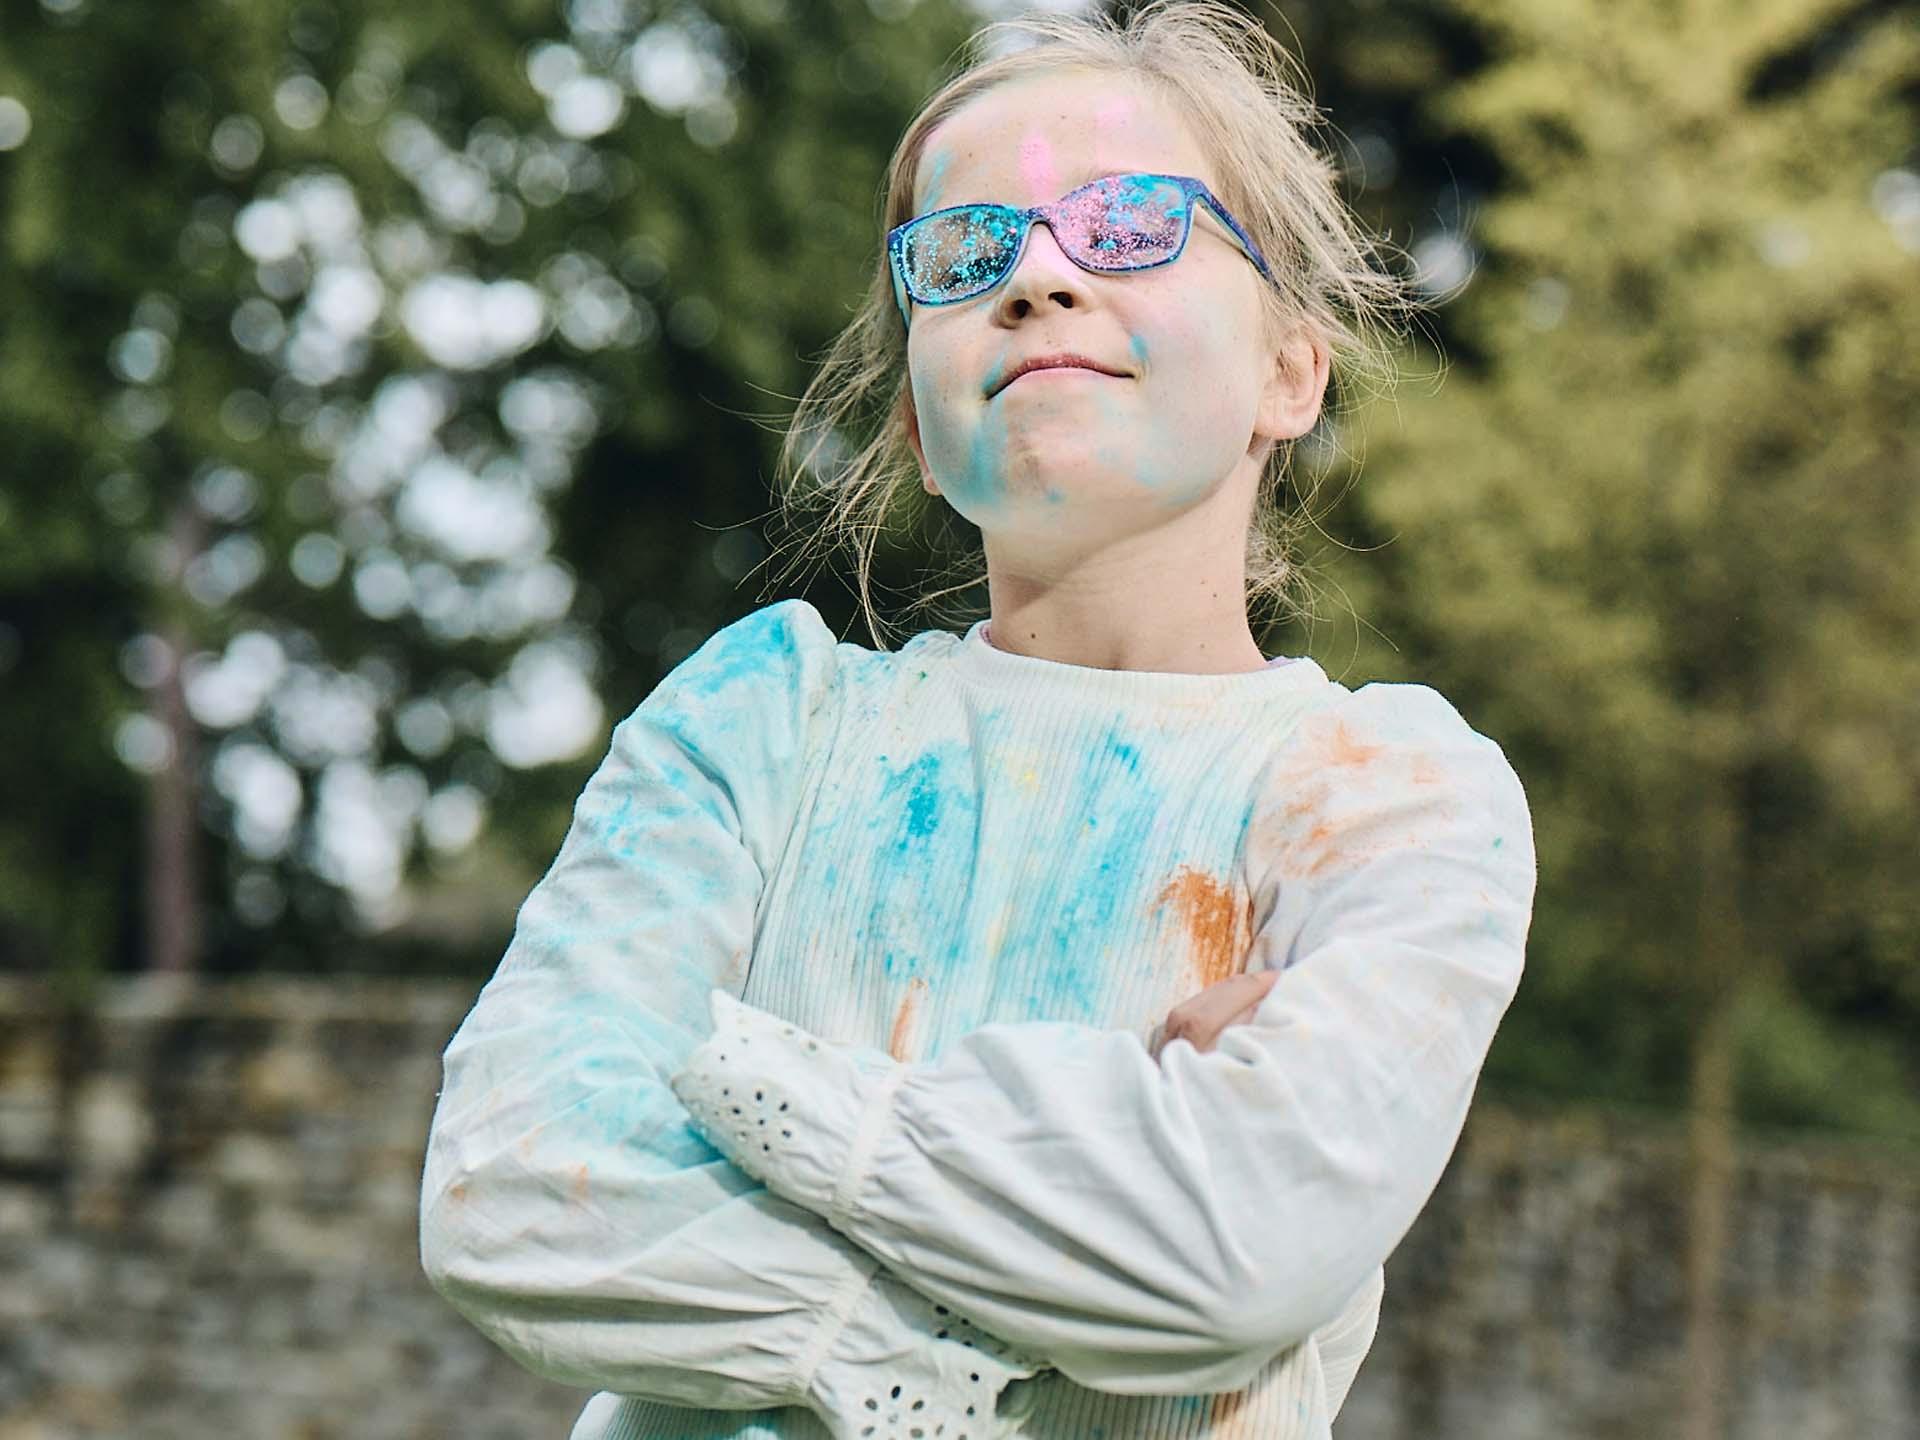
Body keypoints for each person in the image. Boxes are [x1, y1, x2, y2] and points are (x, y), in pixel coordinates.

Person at [417, 3, 1536, 1437]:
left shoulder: (1395, 796)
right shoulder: (759, 727)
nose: (1037, 280)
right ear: (916, 435)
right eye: (967, 257)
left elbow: (1229, 1255)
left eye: (1129, 225)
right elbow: (507, 1193)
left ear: (1290, 371)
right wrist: (999, 1268)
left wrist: (744, 1085)